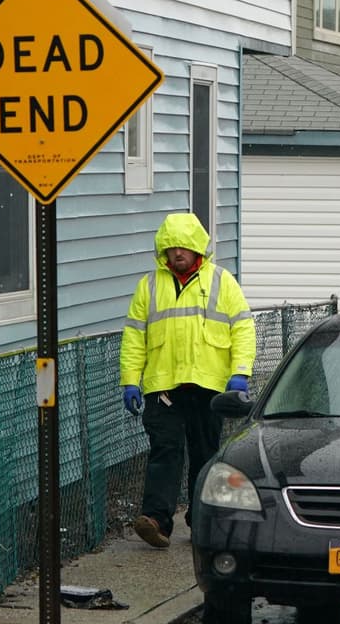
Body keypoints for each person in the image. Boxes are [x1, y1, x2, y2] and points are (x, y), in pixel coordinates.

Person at [119, 212, 256, 548]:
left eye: (183, 247)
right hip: (163, 386)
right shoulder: (149, 287)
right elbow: (135, 337)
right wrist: (130, 380)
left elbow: (243, 328)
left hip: (209, 387)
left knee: (205, 454)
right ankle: (156, 521)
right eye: (170, 248)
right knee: (165, 450)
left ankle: (201, 519)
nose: (177, 253)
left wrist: (240, 374)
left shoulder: (222, 282)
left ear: (197, 249)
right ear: (162, 253)